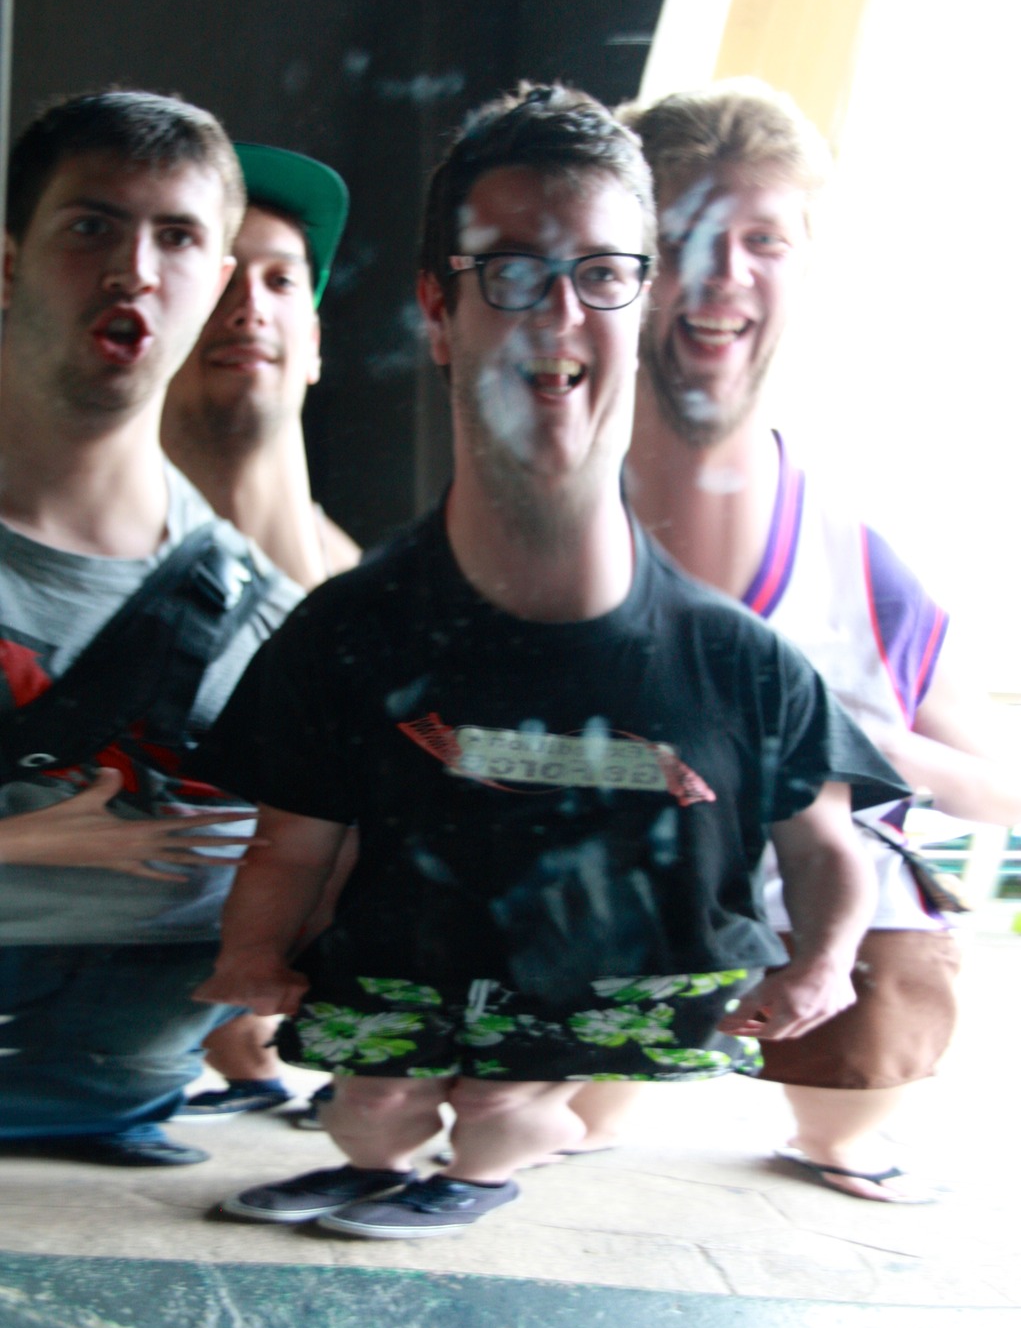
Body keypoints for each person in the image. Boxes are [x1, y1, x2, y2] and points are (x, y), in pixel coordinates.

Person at [191, 81, 906, 1241]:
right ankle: (381, 1164)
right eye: (512, 272)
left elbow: (827, 844)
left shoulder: (744, 666)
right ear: (438, 307)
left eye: (603, 273)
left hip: (586, 1012)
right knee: (370, 1110)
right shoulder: (345, 633)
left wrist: (821, 965)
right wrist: (251, 954)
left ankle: (484, 1167)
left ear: (645, 295)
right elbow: (291, 836)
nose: (559, 313)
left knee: (503, 1116)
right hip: (394, 993)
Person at [619, 80, 1021, 1201]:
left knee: (864, 1055)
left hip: (811, 919)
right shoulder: (527, 512)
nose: (722, 272)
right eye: (681, 237)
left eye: (764, 240)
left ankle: (840, 1122)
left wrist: (844, 745)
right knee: (558, 1106)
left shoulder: (854, 559)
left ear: (805, 266)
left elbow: (1001, 788)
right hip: (596, 900)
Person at [0, 91, 301, 1166]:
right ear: (9, 264)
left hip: (108, 1132)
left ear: (213, 284)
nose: (133, 269)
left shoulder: (269, 623)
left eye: (175, 237)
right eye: (92, 226)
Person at [162, 143, 358, 1120]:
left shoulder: (388, 611)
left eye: (281, 280)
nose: (248, 305)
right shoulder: (48, 579)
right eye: (219, 273)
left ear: (314, 343)